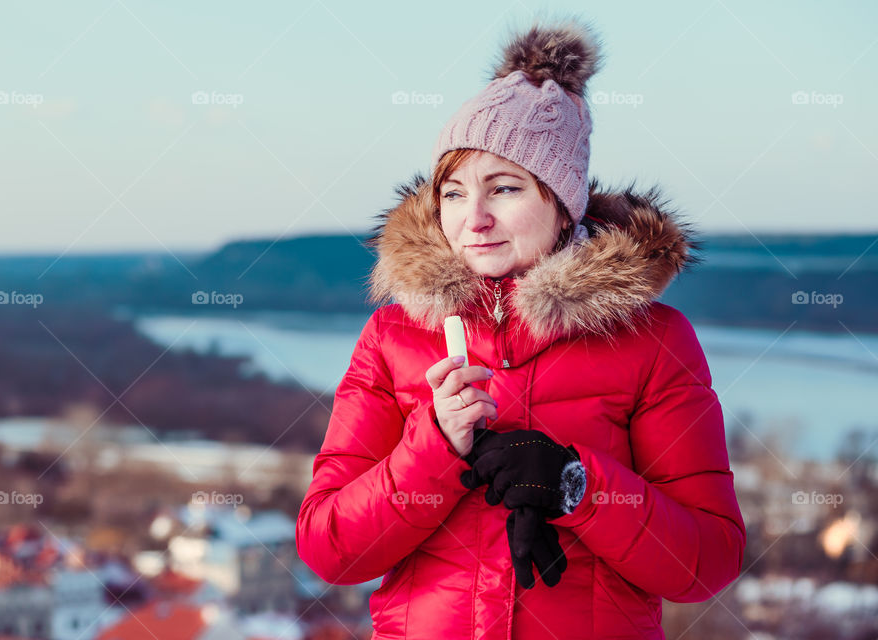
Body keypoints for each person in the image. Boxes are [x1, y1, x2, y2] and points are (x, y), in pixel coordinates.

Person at [296, 17, 745, 640]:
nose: (473, 218)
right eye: (452, 193)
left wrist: (576, 485)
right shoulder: (395, 336)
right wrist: (435, 446)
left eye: (503, 188)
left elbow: (705, 563)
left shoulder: (652, 340)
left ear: (563, 207)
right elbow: (329, 549)